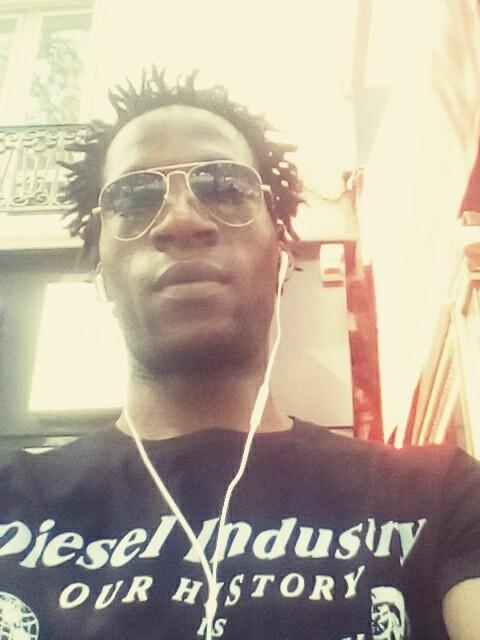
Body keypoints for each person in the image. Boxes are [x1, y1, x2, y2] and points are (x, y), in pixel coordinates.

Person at [1, 68, 479, 640]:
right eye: (135, 196)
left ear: (281, 253)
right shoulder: (11, 501)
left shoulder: (438, 497)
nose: (181, 220)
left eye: (224, 187)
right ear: (100, 269)